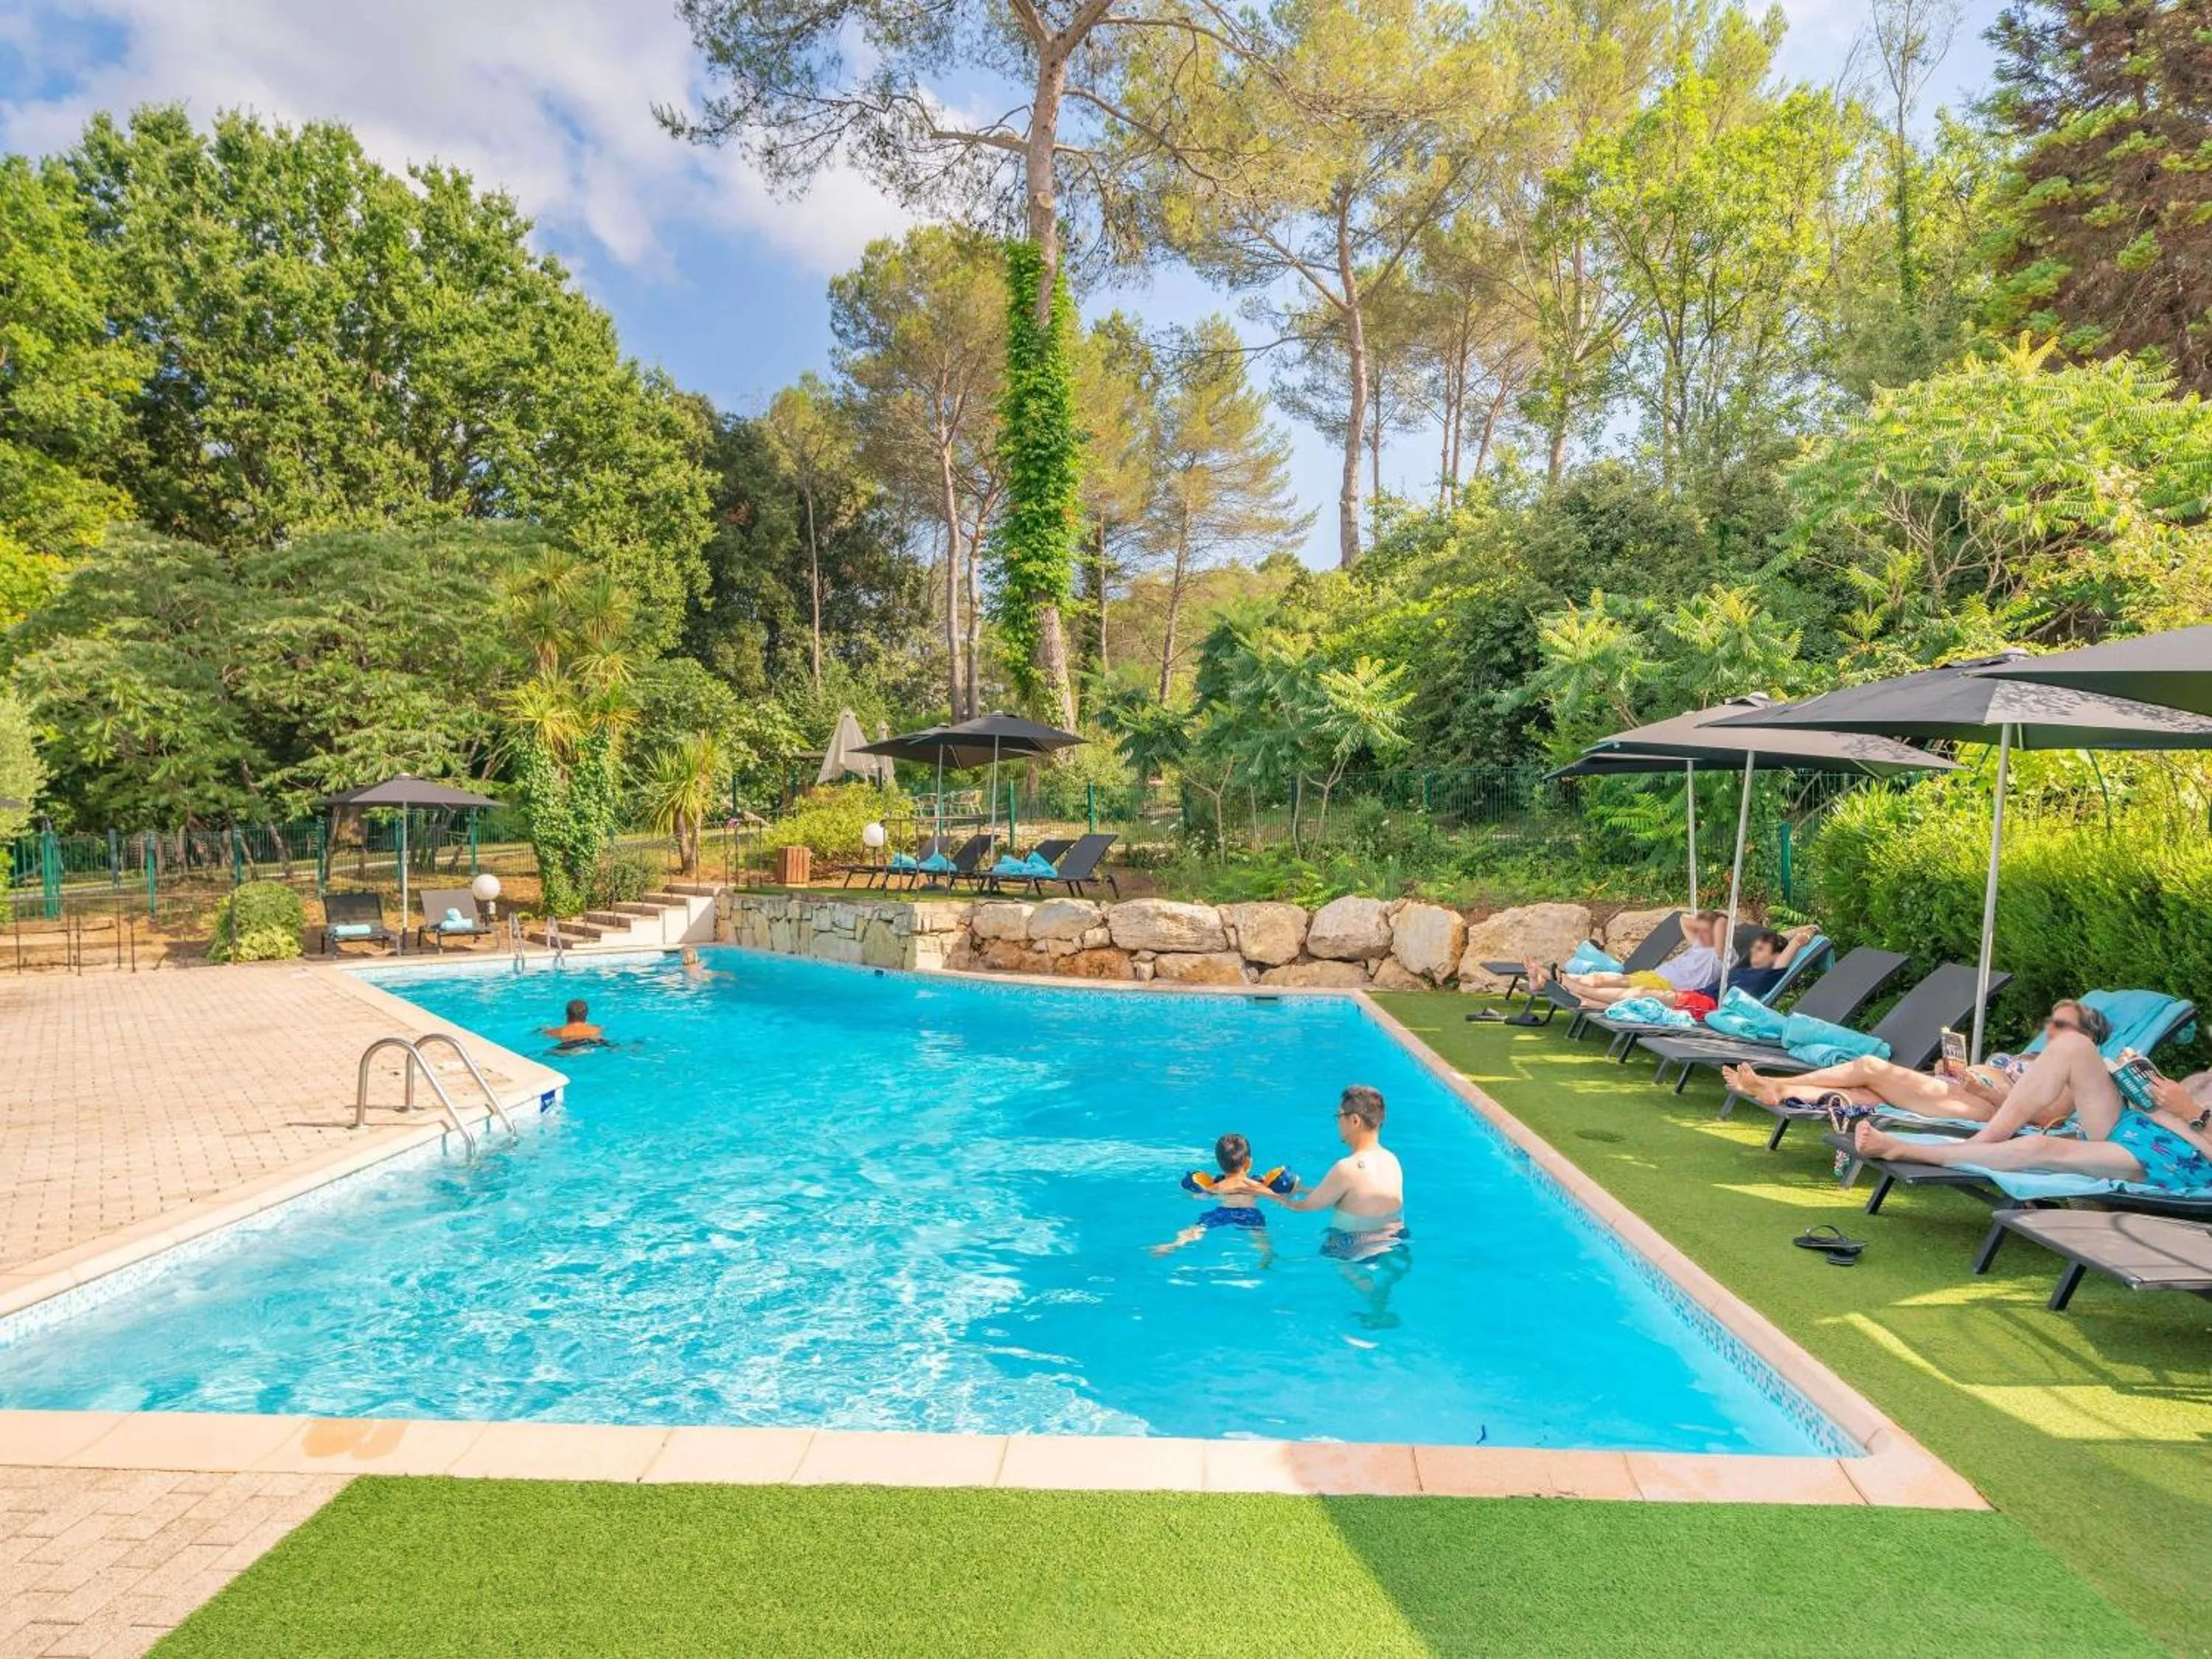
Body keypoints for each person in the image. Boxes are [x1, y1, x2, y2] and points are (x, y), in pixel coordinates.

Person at [1851, 1022, 2212, 1192]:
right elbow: (2168, 1105)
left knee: (2043, 1147)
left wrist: (2192, 1112)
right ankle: (1989, 1138)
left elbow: (2190, 1119)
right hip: (2136, 1124)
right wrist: (2139, 1080)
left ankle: (1906, 1149)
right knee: (2072, 1045)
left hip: (2179, 1159)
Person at [1724, 1000, 2109, 1130]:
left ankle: (1777, 1082)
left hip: (1984, 1110)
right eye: (2052, 1022)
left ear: (2087, 1038)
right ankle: (1781, 1089)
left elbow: (2048, 1120)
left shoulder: (2081, 1072)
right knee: (1865, 1092)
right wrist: (1957, 1072)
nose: (2050, 1029)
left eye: (2062, 1025)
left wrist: (1988, 1089)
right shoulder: (2035, 1058)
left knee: (1871, 1066)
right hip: (1962, 1090)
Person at [1274, 1086, 1411, 1325]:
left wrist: (1269, 1194)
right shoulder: (1392, 1160)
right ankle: (1383, 1292)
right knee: (1385, 1266)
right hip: (1396, 1238)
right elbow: (1354, 1194)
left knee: (1333, 1257)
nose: (1338, 1122)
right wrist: (1304, 1189)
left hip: (1353, 1244)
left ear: (1355, 1120)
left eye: (1340, 1116)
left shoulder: (1346, 1167)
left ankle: (1374, 1299)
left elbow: (1306, 1207)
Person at [1529, 911, 1726, 1013]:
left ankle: (1555, 980)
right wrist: (1705, 921)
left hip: (1667, 985)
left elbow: (1722, 931)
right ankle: (1552, 982)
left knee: (1603, 983)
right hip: (1655, 976)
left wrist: (1721, 922)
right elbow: (1683, 919)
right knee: (1601, 981)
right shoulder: (1702, 944)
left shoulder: (1723, 955)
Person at [1153, 1133, 1276, 1260]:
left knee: (1198, 1228)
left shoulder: (1217, 1186)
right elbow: (1277, 1197)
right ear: (1249, 1162)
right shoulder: (1255, 1185)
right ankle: (1267, 1256)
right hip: (1249, 1213)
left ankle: (1175, 1244)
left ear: (1219, 1163)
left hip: (1222, 1212)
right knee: (1260, 1237)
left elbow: (1200, 1197)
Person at [1725, 925, 1823, 1002]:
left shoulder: (1768, 975)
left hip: (1714, 1005)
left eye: (1760, 949)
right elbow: (1777, 938)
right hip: (1711, 997)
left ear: (1775, 956)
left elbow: (1798, 941)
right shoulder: (1744, 967)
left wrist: (1812, 930)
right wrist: (1804, 927)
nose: (1753, 950)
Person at [543, 998, 607, 1051]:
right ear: (587, 1015)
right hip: (590, 1045)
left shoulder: (557, 1031)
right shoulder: (597, 1029)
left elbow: (546, 1033)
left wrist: (545, 1029)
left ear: (567, 1015)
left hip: (566, 1048)